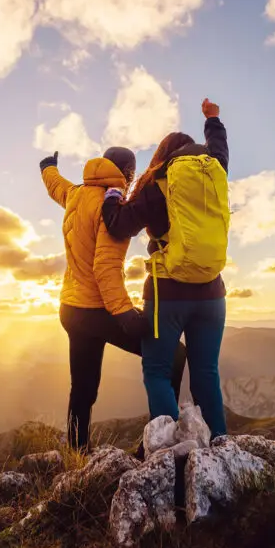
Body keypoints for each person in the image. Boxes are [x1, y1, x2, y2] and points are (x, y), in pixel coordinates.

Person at [39, 147, 186, 452]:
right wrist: (124, 313)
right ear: (129, 175)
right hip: (98, 310)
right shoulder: (114, 207)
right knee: (173, 355)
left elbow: (57, 187)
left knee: (83, 388)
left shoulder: (77, 194)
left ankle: (77, 455)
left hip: (70, 309)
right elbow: (105, 267)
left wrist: (47, 167)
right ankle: (156, 445)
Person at [101, 98, 229, 438]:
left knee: (157, 372)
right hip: (212, 292)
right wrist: (212, 119)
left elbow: (117, 225)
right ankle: (219, 449)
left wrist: (113, 193)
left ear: (164, 156)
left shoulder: (157, 183)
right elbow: (220, 147)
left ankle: (169, 455)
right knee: (206, 373)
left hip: (167, 292)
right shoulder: (213, 169)